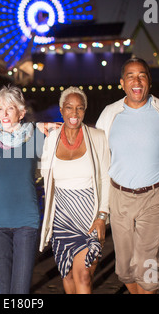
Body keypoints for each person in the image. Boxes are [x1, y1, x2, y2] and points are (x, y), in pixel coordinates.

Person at [96, 57, 159, 294]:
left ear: (149, 81)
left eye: (142, 75)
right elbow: (96, 155)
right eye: (130, 76)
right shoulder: (110, 113)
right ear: (122, 83)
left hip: (155, 197)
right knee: (124, 269)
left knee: (146, 264)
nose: (136, 81)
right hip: (119, 197)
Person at [39, 87, 110, 294]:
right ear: (61, 111)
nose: (74, 113)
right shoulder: (51, 140)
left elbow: (106, 177)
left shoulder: (98, 137)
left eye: (80, 108)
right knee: (68, 275)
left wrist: (102, 216)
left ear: (85, 111)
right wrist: (37, 124)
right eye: (69, 108)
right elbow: (44, 174)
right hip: (62, 218)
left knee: (84, 276)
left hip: (89, 218)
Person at [0, 85, 45, 294]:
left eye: (9, 109)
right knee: (4, 290)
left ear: (21, 113)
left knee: (20, 291)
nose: (4, 114)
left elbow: (66, 152)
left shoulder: (36, 136)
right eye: (0, 109)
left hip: (26, 222)